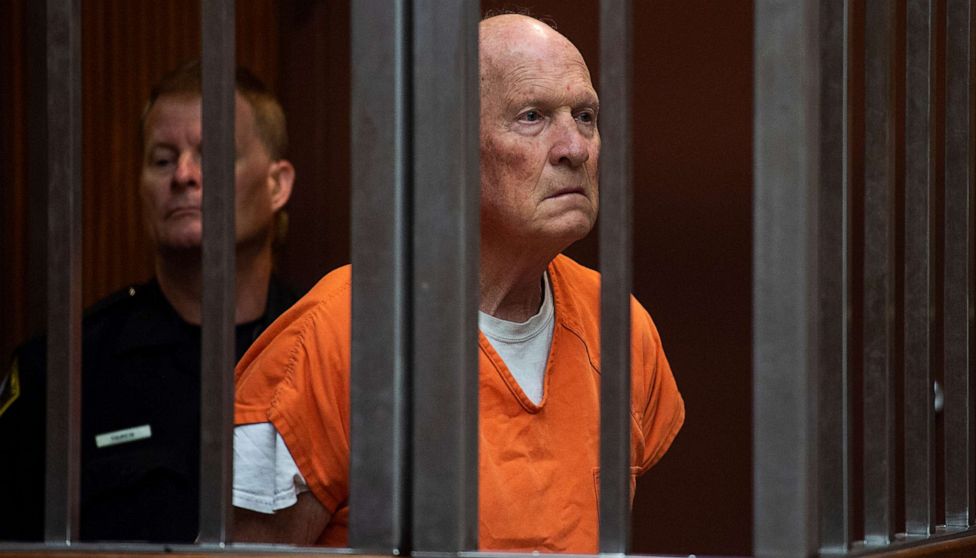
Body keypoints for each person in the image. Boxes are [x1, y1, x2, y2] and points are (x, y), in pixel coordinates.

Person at [231, 14, 684, 553]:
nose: (575, 148)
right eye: (533, 116)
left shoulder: (621, 327)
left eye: (585, 116)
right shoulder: (333, 334)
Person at [0, 60, 299, 543]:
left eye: (212, 155)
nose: (183, 175)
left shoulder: (327, 349)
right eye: (162, 159)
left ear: (276, 184)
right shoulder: (64, 371)